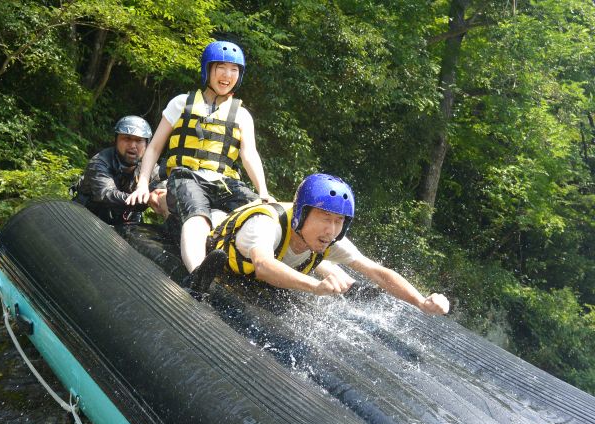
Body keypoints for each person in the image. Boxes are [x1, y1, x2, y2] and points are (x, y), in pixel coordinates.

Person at [207, 173, 449, 315]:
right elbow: (263, 266)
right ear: (301, 214)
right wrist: (315, 287)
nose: (331, 230)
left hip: (259, 272)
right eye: (325, 218)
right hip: (217, 244)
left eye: (339, 221)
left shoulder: (330, 239)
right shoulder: (266, 225)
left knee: (319, 263)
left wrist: (421, 301)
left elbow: (377, 272)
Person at [126, 40, 270, 273]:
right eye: (221, 67)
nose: (227, 75)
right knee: (197, 214)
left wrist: (263, 192)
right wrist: (142, 184)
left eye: (234, 69)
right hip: (186, 177)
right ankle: (198, 273)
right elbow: (153, 148)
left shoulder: (242, 115)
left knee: (262, 213)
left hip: (224, 182)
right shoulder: (181, 103)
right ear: (208, 70)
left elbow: (249, 154)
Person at [73, 115, 168, 225]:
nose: (133, 145)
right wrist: (146, 199)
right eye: (127, 138)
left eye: (139, 140)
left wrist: (162, 197)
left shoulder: (149, 167)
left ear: (147, 144)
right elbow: (107, 195)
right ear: (116, 140)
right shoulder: (100, 162)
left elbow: (162, 188)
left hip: (126, 219)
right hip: (86, 218)